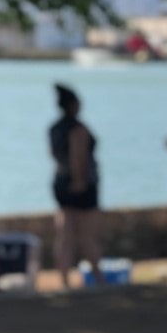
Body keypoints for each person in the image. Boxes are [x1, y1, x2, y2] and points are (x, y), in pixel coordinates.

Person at [49, 84, 104, 288]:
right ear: (74, 104)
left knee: (64, 232)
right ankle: (99, 278)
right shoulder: (77, 128)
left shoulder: (54, 128)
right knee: (87, 234)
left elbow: (55, 155)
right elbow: (78, 156)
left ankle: (64, 279)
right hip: (80, 184)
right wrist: (79, 181)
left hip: (60, 182)